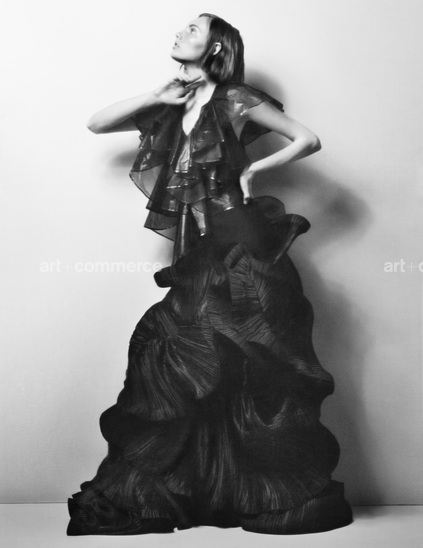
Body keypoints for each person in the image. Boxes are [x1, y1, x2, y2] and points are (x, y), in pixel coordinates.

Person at [66, 13, 353, 536]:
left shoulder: (236, 99)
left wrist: (253, 169)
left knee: (251, 362)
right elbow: (97, 123)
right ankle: (208, 487)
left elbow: (307, 140)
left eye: (193, 29)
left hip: (242, 244)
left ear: (217, 47)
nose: (180, 32)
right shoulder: (173, 103)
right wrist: (157, 94)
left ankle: (266, 489)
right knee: (181, 358)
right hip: (200, 252)